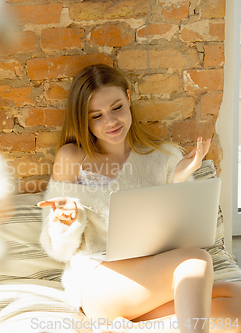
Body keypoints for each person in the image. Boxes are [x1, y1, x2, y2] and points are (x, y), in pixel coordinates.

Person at [37, 64, 241, 333]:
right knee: (197, 260)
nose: (110, 122)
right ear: (84, 120)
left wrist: (179, 181)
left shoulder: (164, 156)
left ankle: (135, 326)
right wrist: (66, 220)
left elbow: (189, 234)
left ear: (129, 98)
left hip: (150, 285)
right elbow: (56, 249)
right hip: (99, 280)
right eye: (96, 116)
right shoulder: (72, 157)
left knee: (235, 303)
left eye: (117, 108)